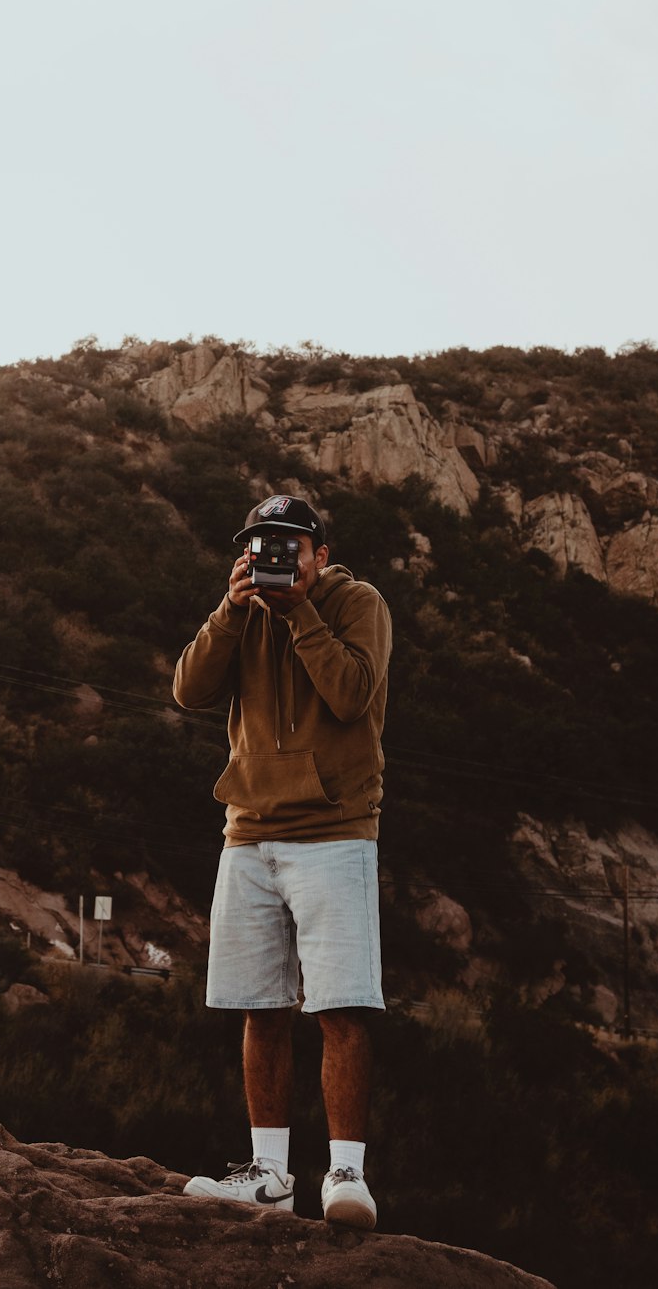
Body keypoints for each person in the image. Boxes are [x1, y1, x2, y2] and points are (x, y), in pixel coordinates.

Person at [173, 494, 392, 1230]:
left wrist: (300, 612)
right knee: (260, 1008)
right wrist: (231, 611)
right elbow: (189, 690)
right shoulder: (240, 614)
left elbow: (352, 694)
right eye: (260, 544)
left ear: (319, 555)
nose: (274, 556)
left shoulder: (357, 602)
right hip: (249, 833)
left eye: (289, 545)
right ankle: (269, 1174)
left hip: (334, 832)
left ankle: (346, 1176)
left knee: (341, 1007)